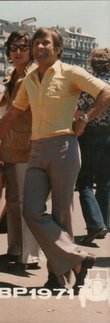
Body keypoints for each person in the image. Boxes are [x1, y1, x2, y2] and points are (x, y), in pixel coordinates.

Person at [0, 27, 110, 292]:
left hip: (64, 146)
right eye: (37, 43)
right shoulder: (30, 79)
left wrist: (85, 119)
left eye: (46, 43)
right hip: (36, 149)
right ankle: (77, 259)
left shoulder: (70, 73)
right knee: (30, 210)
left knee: (62, 215)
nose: (40, 47)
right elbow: (13, 114)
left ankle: (58, 277)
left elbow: (105, 93)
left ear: (58, 48)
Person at [0, 31, 42, 270]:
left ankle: (29, 255)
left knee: (26, 202)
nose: (19, 52)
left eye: (24, 47)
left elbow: (15, 112)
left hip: (27, 145)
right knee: (13, 201)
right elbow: (4, 99)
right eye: (14, 48)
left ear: (31, 50)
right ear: (8, 51)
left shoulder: (33, 75)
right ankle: (16, 249)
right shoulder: (15, 73)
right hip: (13, 145)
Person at [75, 48, 110, 244]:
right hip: (109, 135)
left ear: (92, 64)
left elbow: (79, 111)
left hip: (90, 135)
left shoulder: (88, 84)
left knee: (85, 182)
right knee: (105, 182)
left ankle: (96, 224)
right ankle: (103, 223)